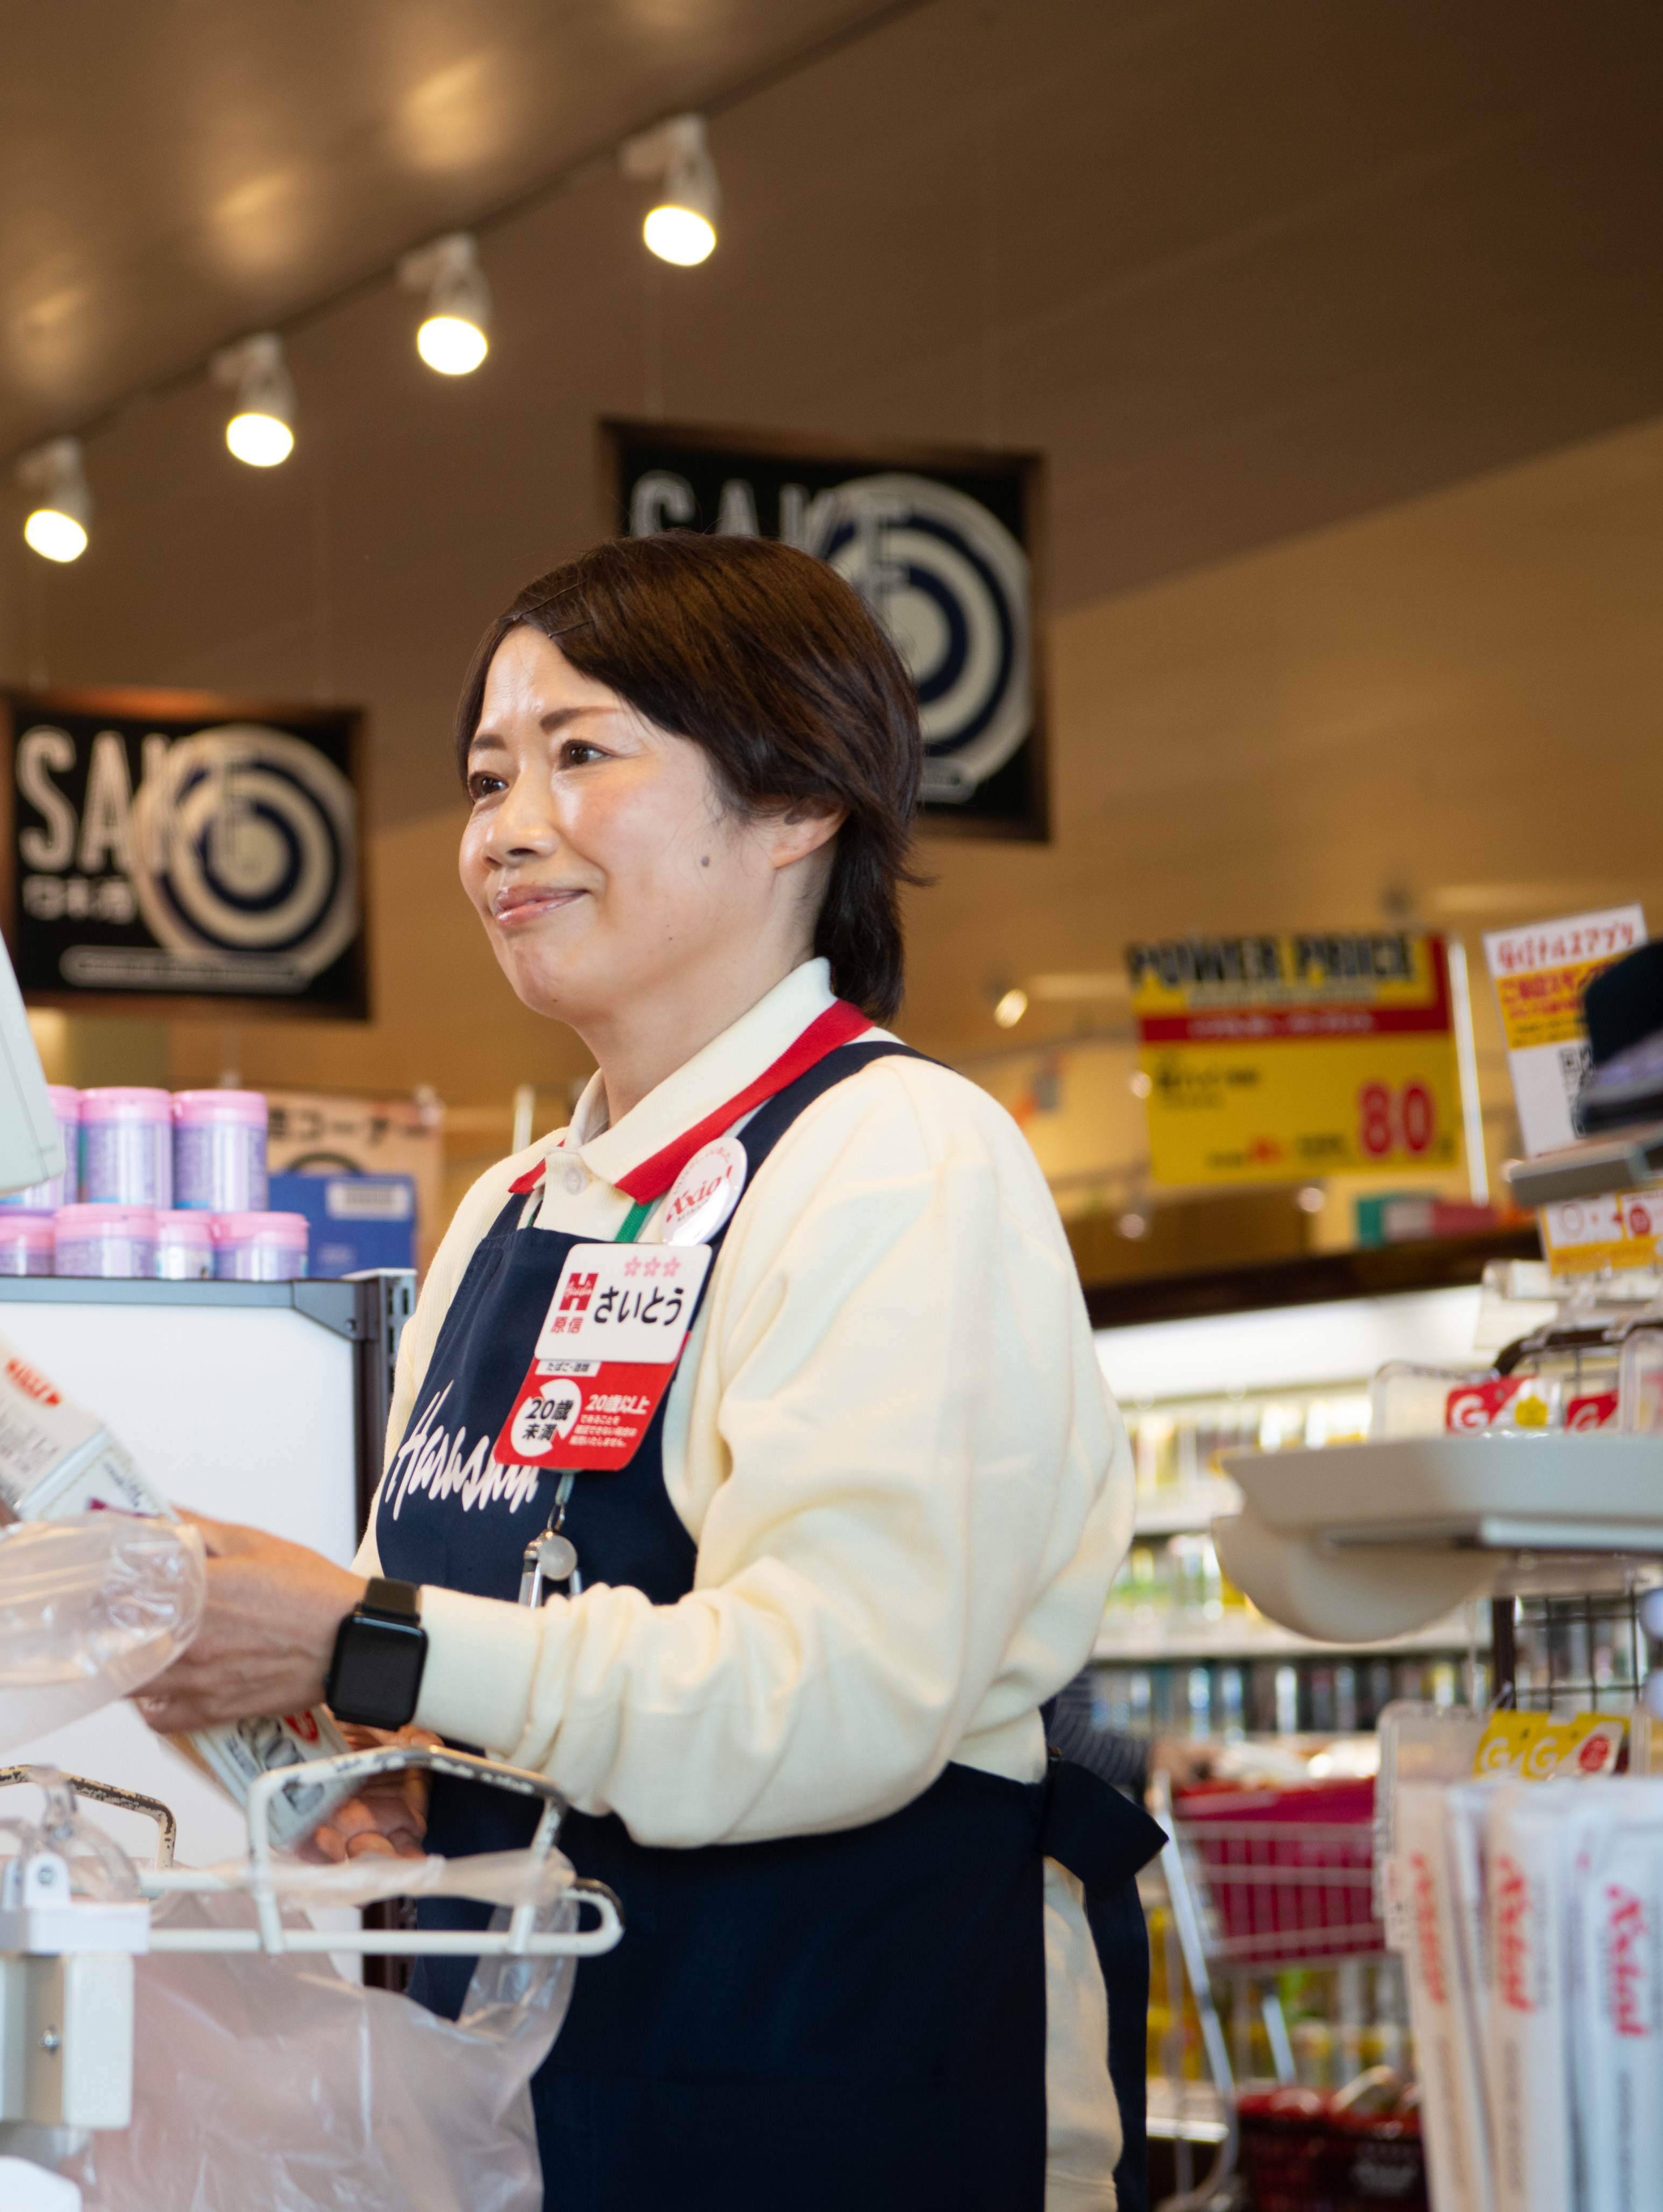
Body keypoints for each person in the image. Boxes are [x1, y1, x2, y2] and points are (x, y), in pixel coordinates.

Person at [132, 532, 1158, 2211]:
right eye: (483, 777)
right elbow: (495, 1654)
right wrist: (380, 1770)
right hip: (518, 2122)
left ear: (797, 803)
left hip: (831, 2108)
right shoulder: (514, 1210)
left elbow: (825, 1699)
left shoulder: (897, 1157)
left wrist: (370, 1640)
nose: (503, 832)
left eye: (580, 755)